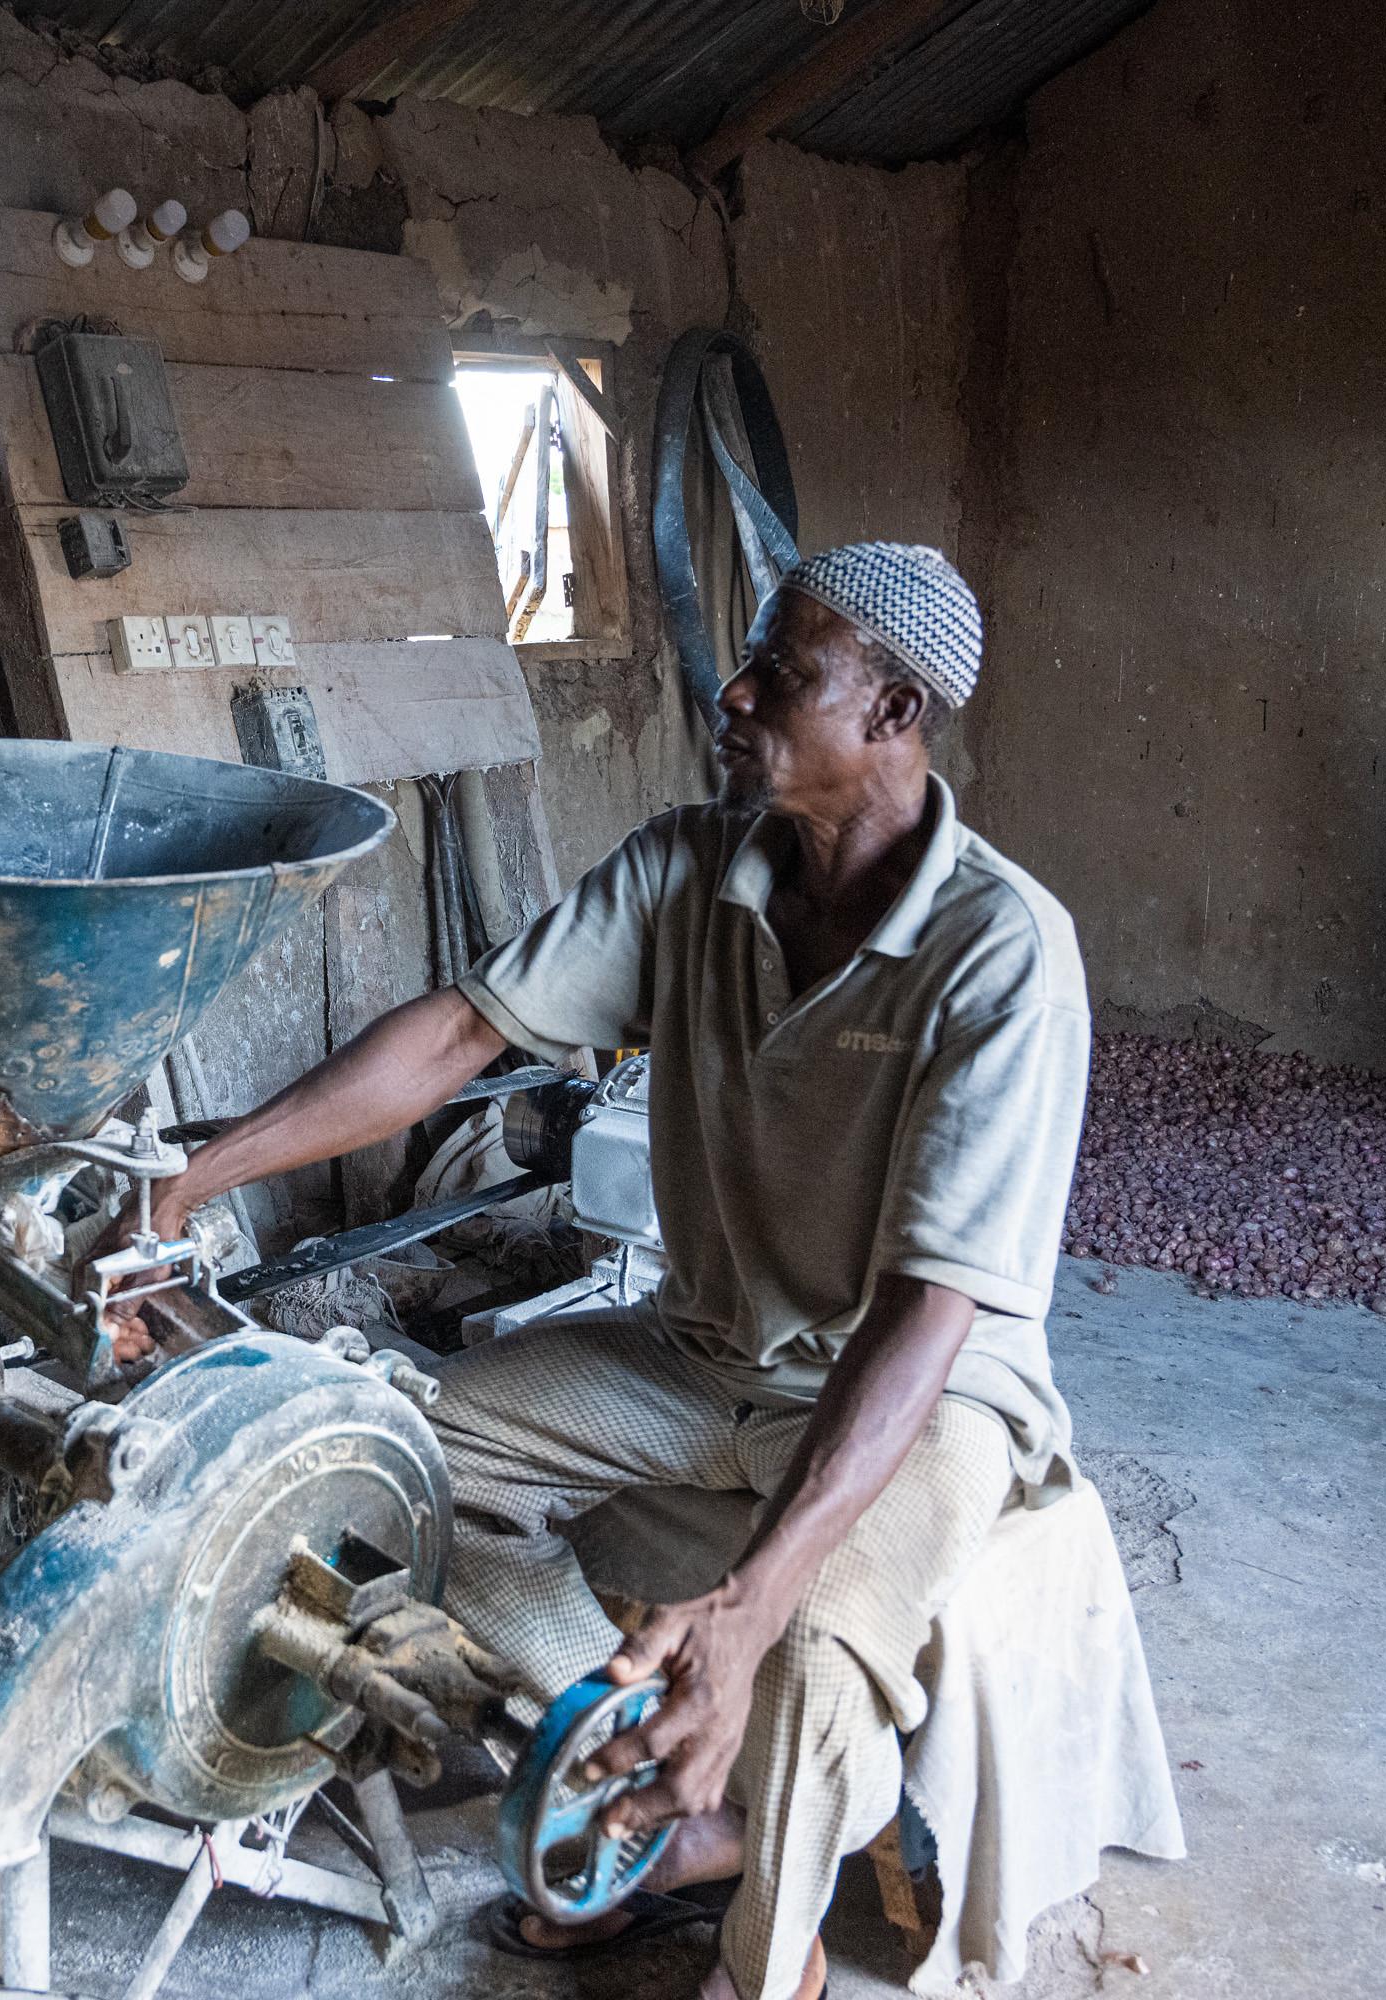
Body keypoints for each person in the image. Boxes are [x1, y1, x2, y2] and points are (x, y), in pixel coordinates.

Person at [117, 544, 1090, 2000]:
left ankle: (769, 1955)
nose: (736, 689)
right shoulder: (691, 866)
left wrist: (758, 1597)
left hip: (923, 1394)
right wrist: (186, 1183)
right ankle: (647, 1775)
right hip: (704, 1353)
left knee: (817, 1645)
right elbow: (459, 1037)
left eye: (786, 672)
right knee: (376, 1453)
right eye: (749, 656)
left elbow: (927, 1313)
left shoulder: (1000, 953)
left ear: (894, 711)